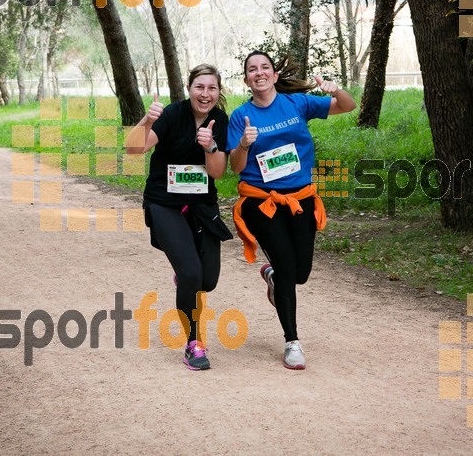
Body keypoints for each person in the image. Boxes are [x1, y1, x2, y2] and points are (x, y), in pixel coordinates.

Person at [227, 51, 356, 369]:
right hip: (263, 203)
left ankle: (271, 276)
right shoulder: (240, 116)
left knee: (300, 273)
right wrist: (244, 143)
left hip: (301, 200)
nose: (259, 73)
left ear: (273, 75)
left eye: (264, 68)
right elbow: (235, 167)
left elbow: (348, 105)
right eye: (252, 70)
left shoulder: (296, 103)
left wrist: (333, 89)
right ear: (246, 80)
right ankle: (292, 342)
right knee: (287, 267)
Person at [127, 64, 232, 371]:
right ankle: (193, 344)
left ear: (218, 92)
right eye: (200, 87)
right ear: (189, 89)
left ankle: (187, 277)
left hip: (202, 206)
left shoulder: (220, 120)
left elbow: (217, 172)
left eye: (212, 88)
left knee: (207, 280)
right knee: (190, 274)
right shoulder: (173, 114)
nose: (205, 94)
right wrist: (148, 120)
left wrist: (210, 145)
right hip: (165, 203)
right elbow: (134, 149)